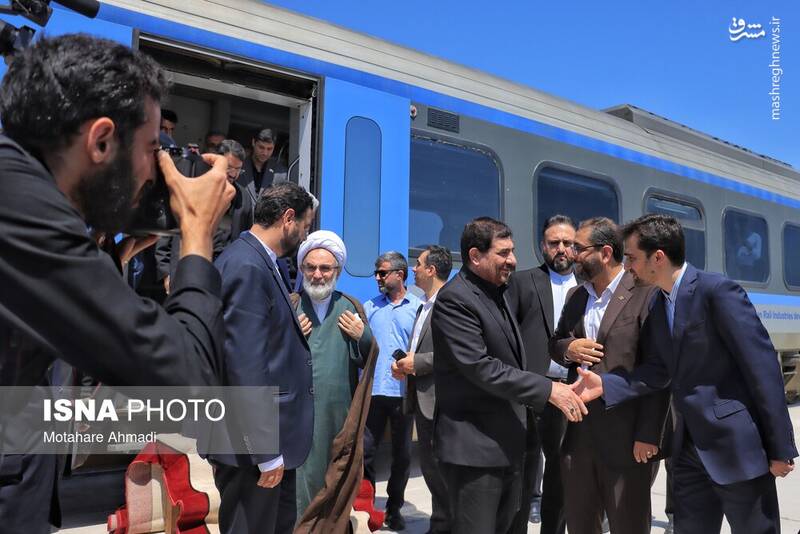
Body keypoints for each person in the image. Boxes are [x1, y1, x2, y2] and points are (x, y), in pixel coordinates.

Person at [0, 34, 234, 533]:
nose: (155, 173)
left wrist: (112, 247)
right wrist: (197, 232)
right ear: (101, 141)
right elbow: (186, 380)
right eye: (152, 151)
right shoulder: (19, 208)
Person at [573, 214, 798, 534]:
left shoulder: (716, 292)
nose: (628, 266)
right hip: (688, 452)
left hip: (736, 449)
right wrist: (606, 385)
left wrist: (780, 447)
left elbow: (762, 368)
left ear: (658, 258)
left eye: (632, 258)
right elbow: (659, 370)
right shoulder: (658, 303)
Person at [431, 217, 587, 534]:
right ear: (475, 256)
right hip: (475, 452)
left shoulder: (496, 292)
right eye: (503, 253)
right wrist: (548, 390)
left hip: (507, 444)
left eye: (512, 251)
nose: (512, 261)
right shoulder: (456, 299)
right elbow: (480, 366)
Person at [548, 217, 668, 534]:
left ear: (605, 253)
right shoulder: (576, 296)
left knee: (628, 524)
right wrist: (568, 348)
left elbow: (659, 371)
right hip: (579, 436)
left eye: (578, 248)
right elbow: (556, 343)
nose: (571, 253)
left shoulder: (647, 294)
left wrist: (648, 434)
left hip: (627, 439)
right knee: (581, 523)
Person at [210, 181, 315, 534]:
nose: (304, 235)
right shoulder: (247, 266)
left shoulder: (258, 261)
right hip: (252, 448)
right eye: (305, 226)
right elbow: (245, 365)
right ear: (288, 218)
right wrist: (265, 451)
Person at [293, 231, 374, 517]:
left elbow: (368, 356)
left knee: (335, 476)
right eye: (310, 267)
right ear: (302, 269)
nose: (317, 274)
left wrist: (363, 336)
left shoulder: (350, 307)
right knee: (302, 481)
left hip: (338, 413)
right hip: (298, 414)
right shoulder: (290, 305)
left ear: (337, 271)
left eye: (325, 268)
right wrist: (289, 336)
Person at [506, 214, 577, 534]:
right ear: (542, 246)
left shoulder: (588, 287)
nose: (561, 248)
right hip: (530, 389)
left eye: (567, 243)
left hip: (571, 391)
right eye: (554, 243)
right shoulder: (522, 282)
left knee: (561, 471)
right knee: (523, 469)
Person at [392, 245, 453, 534]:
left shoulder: (448, 305)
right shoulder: (424, 305)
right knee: (430, 468)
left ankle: (449, 525)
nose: (413, 269)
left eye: (418, 264)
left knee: (442, 469)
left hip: (440, 401)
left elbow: (455, 354)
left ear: (431, 270)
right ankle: (440, 523)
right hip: (421, 398)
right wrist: (405, 365)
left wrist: (417, 363)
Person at [362, 251, 422, 531]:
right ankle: (366, 508)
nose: (378, 277)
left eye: (383, 272)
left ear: (400, 274)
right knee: (366, 452)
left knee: (402, 455)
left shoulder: (418, 309)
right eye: (377, 272)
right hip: (373, 392)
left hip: (403, 394)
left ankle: (394, 509)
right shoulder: (369, 307)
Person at [156, 139, 254, 291]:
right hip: (188, 265)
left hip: (225, 273)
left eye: (238, 169)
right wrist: (165, 272)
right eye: (229, 168)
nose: (233, 174)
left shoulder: (243, 197)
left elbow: (246, 239)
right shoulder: (193, 186)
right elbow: (167, 233)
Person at [238, 128, 288, 203]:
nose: (265, 153)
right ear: (253, 143)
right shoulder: (239, 166)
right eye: (261, 147)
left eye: (269, 149)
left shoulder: (281, 172)